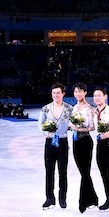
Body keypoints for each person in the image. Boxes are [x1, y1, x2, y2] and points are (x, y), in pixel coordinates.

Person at [38, 81, 73, 210]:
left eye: (58, 93)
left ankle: (62, 198)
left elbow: (75, 122)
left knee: (62, 172)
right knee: (49, 171)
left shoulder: (69, 108)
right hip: (49, 143)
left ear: (63, 94)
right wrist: (47, 132)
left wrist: (72, 128)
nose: (56, 95)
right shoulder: (46, 108)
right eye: (54, 93)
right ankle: (49, 198)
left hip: (63, 143)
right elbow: (40, 124)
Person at [69, 82, 99, 213]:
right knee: (84, 172)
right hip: (75, 140)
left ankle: (83, 202)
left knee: (85, 171)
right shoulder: (74, 108)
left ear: (85, 93)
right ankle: (93, 198)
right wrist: (72, 126)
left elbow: (93, 127)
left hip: (86, 140)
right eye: (76, 91)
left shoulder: (90, 109)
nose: (78, 94)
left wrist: (81, 128)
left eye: (80, 91)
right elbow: (70, 124)